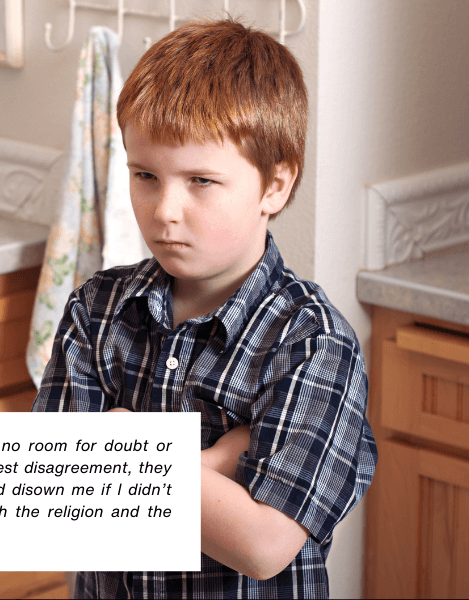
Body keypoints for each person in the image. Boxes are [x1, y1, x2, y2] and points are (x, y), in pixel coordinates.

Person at [32, 19, 377, 599]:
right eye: (146, 175)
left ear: (275, 187)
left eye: (201, 181)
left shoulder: (313, 343)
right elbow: (50, 499)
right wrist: (215, 460)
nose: (165, 210)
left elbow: (263, 545)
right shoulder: (96, 311)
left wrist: (122, 445)